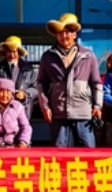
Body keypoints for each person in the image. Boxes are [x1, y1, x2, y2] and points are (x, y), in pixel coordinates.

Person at [37, 13, 103, 148]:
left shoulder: (88, 55)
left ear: (74, 34)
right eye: (60, 33)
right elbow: (41, 84)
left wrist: (97, 106)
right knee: (59, 153)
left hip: (83, 113)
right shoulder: (47, 56)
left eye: (67, 32)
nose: (64, 36)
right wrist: (45, 107)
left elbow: (96, 83)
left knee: (87, 152)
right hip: (58, 113)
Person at [0, 36, 38, 121]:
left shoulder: (29, 69)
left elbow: (36, 88)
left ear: (19, 52)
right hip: (1, 112)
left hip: (23, 112)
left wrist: (25, 94)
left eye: (14, 52)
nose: (12, 55)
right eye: (9, 52)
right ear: (5, 52)